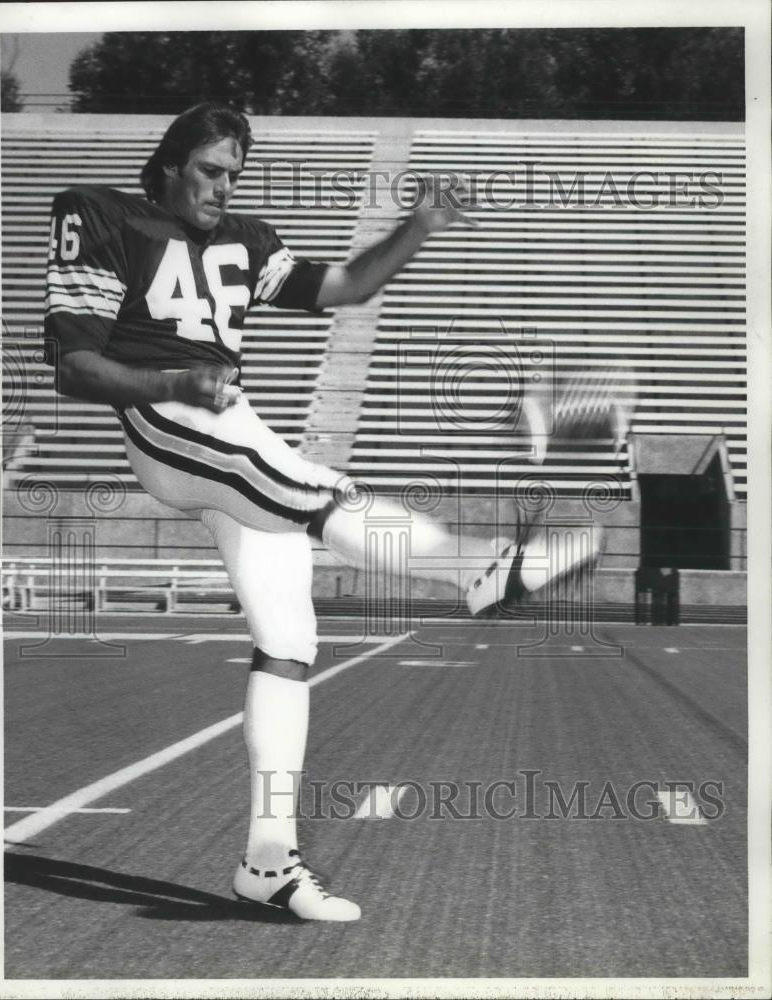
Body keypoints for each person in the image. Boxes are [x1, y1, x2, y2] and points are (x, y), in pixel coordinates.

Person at [45, 102, 602, 922]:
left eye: (234, 174)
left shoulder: (245, 238)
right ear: (167, 166)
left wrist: (420, 225)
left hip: (226, 421)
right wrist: (172, 383)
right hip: (166, 419)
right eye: (208, 171)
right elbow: (76, 366)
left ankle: (268, 862)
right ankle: (476, 570)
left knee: (289, 641)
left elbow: (346, 286)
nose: (222, 187)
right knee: (312, 487)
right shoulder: (101, 214)